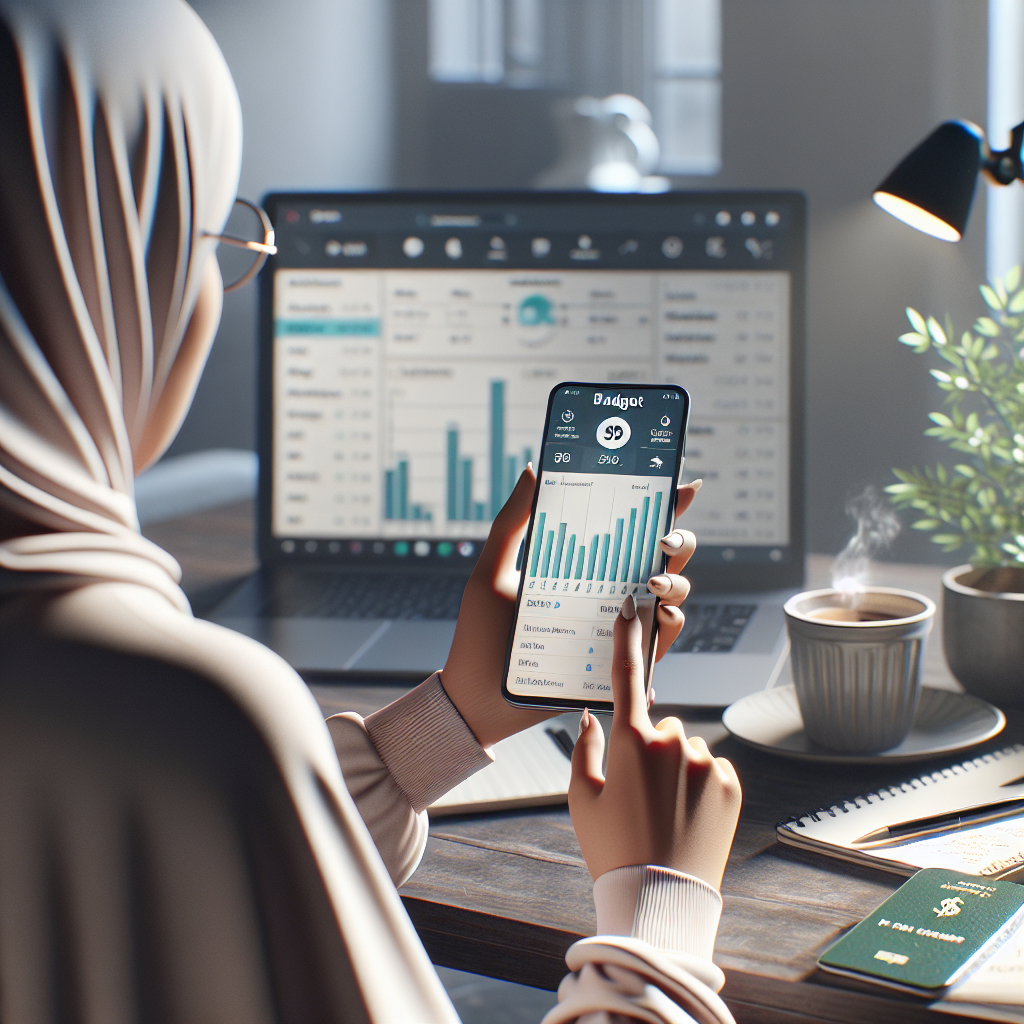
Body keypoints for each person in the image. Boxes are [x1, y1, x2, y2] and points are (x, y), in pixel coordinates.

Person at [0, 1, 742, 1021]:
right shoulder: (184, 716)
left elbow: (195, 884)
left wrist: (441, 728)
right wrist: (658, 910)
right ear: (112, 277)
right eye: (202, 243)